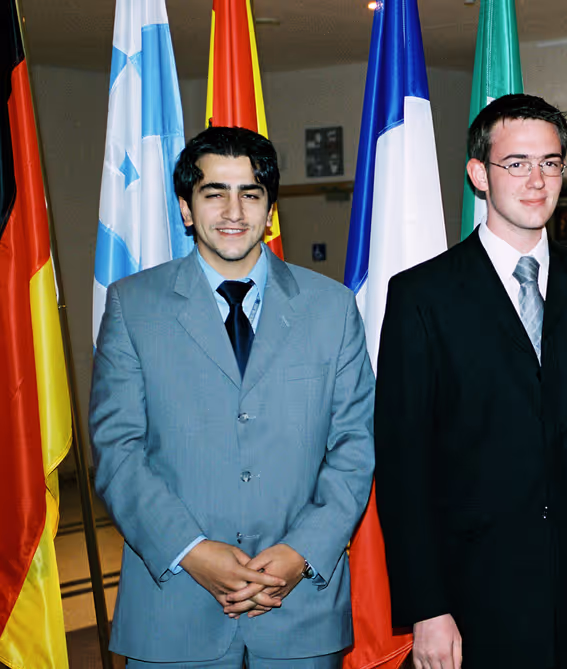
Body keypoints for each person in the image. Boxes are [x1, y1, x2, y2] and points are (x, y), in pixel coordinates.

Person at [375, 94, 567, 669]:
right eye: (517, 163)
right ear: (479, 174)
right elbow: (404, 466)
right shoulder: (422, 296)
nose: (537, 181)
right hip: (471, 602)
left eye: (551, 163)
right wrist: (426, 607)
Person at [89, 126, 375, 668]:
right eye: (214, 192)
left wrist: (299, 554)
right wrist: (191, 552)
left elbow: (355, 448)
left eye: (251, 193)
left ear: (270, 209)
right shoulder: (133, 307)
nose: (233, 211)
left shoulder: (332, 309)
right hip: (173, 606)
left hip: (298, 609)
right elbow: (117, 452)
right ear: (185, 208)